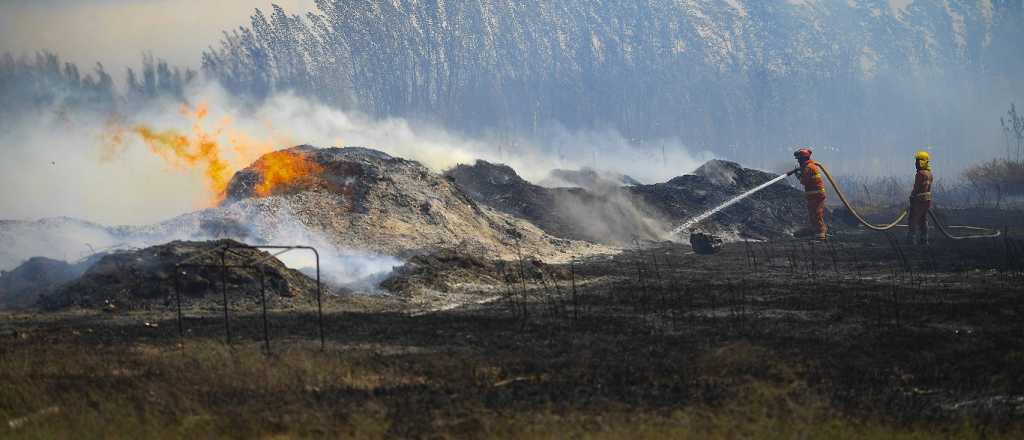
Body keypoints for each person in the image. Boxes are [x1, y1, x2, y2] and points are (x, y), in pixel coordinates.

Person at [792, 148, 827, 241]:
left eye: (799, 159)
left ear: (804, 158)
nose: (798, 161)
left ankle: (820, 234)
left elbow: (804, 181)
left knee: (816, 213)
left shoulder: (809, 168)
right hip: (813, 195)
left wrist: (798, 175)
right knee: (813, 213)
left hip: (817, 194)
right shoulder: (808, 167)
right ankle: (816, 232)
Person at [908, 150, 933, 245]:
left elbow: (916, 187)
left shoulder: (920, 174)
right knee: (923, 219)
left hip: (918, 200)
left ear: (921, 162)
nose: (916, 163)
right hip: (927, 200)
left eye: (917, 161)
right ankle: (924, 239)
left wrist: (912, 196)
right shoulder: (930, 174)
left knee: (913, 219)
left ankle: (911, 239)